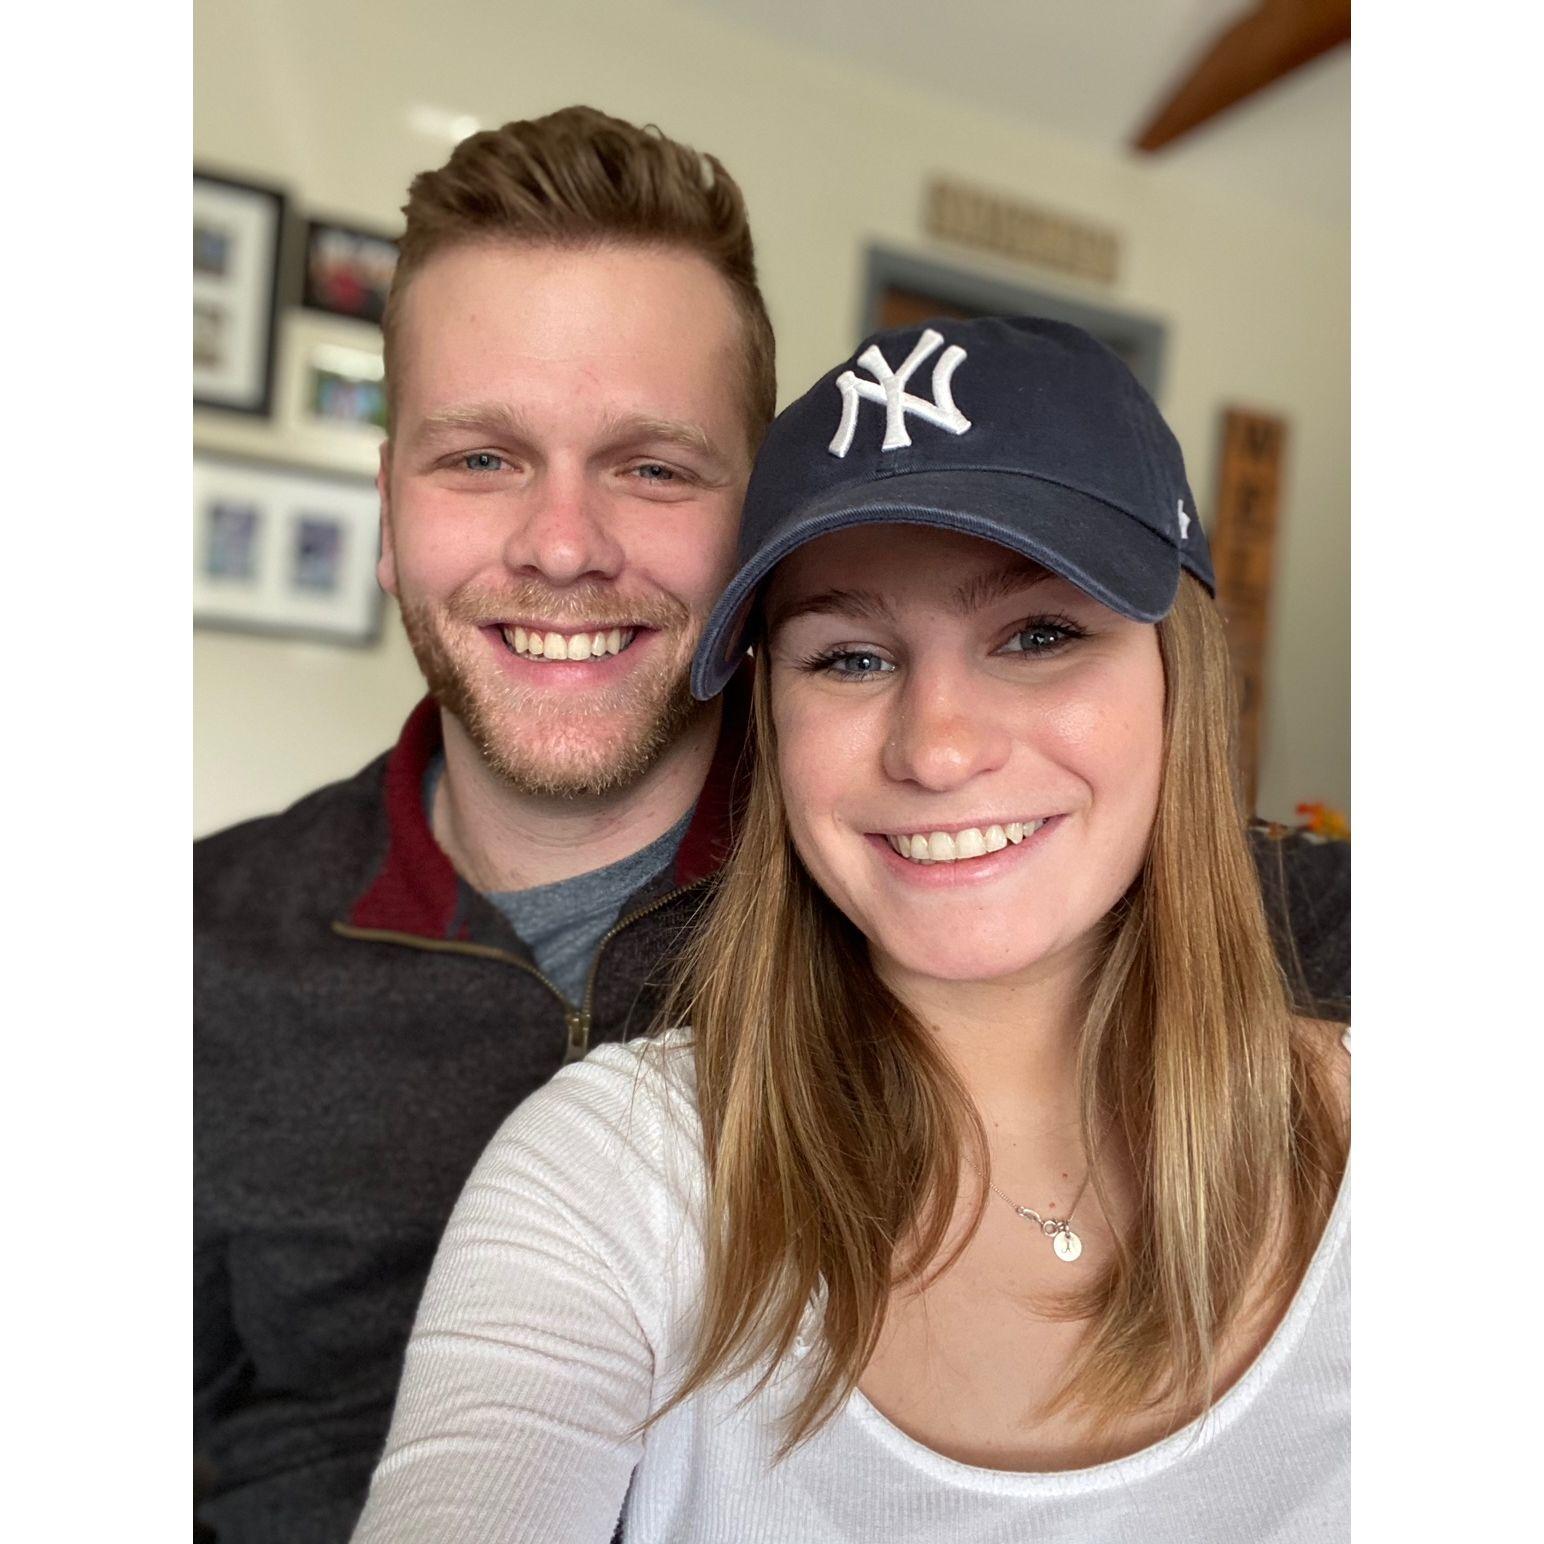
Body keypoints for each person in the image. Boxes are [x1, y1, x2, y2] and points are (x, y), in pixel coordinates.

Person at [351, 318, 1351, 1542]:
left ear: (1177, 681)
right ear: (770, 720)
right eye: (850, 657)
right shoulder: (615, 1173)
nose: (935, 748)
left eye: (1037, 635)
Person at [194, 106, 774, 1544]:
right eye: (481, 459)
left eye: (652, 466)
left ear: (760, 524)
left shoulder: (932, 896)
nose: (563, 545)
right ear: (389, 514)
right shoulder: (186, 945)